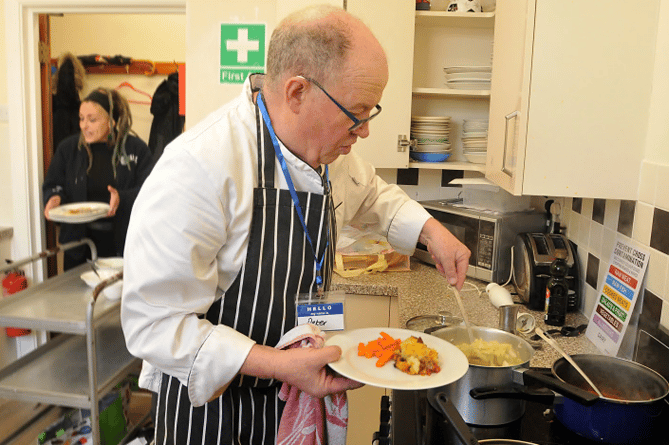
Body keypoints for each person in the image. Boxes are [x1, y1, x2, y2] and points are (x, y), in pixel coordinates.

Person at [121, 5, 470, 445]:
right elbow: (151, 324)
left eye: (371, 112)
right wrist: (279, 365)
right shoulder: (199, 168)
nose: (363, 131)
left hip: (294, 398)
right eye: (357, 112)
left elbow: (373, 193)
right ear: (298, 92)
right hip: (215, 410)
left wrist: (431, 231)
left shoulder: (324, 150)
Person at [43, 87, 154, 270]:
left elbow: (151, 190)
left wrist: (122, 198)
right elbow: (53, 184)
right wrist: (53, 198)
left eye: (92, 120)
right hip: (79, 248)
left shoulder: (135, 149)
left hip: (124, 248)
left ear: (111, 122)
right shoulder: (68, 150)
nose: (83, 125)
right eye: (81, 118)